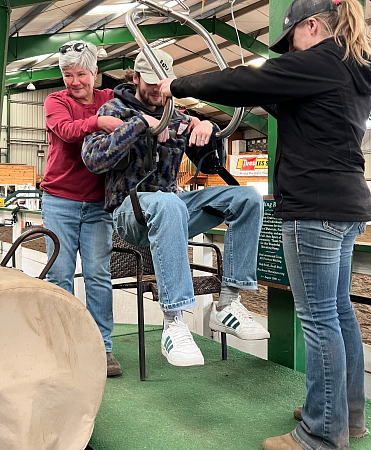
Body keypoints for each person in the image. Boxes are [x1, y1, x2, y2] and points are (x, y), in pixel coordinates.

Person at [158, 0, 371, 449]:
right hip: (347, 204)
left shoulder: (322, 59)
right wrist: (263, 93)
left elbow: (248, 79)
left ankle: (321, 433)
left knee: (319, 320)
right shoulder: (356, 66)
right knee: (339, 313)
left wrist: (177, 84)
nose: (289, 52)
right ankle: (346, 415)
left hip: (313, 207)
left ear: (313, 26)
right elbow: (297, 107)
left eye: (292, 40)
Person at [82, 49, 269, 368]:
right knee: (169, 203)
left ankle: (228, 305)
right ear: (136, 77)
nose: (157, 90)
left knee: (247, 198)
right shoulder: (115, 109)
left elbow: (210, 163)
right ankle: (173, 322)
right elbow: (92, 159)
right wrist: (140, 126)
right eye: (151, 83)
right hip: (129, 211)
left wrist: (209, 135)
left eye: (163, 85)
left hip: (171, 208)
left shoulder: (178, 114)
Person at [41, 40, 124, 377]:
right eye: (67, 74)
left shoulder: (109, 99)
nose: (74, 81)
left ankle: (103, 348)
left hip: (97, 206)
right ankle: (66, 347)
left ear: (95, 73)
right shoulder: (55, 101)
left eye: (80, 74)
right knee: (61, 277)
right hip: (59, 200)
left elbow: (140, 113)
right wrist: (98, 123)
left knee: (98, 276)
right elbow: (66, 130)